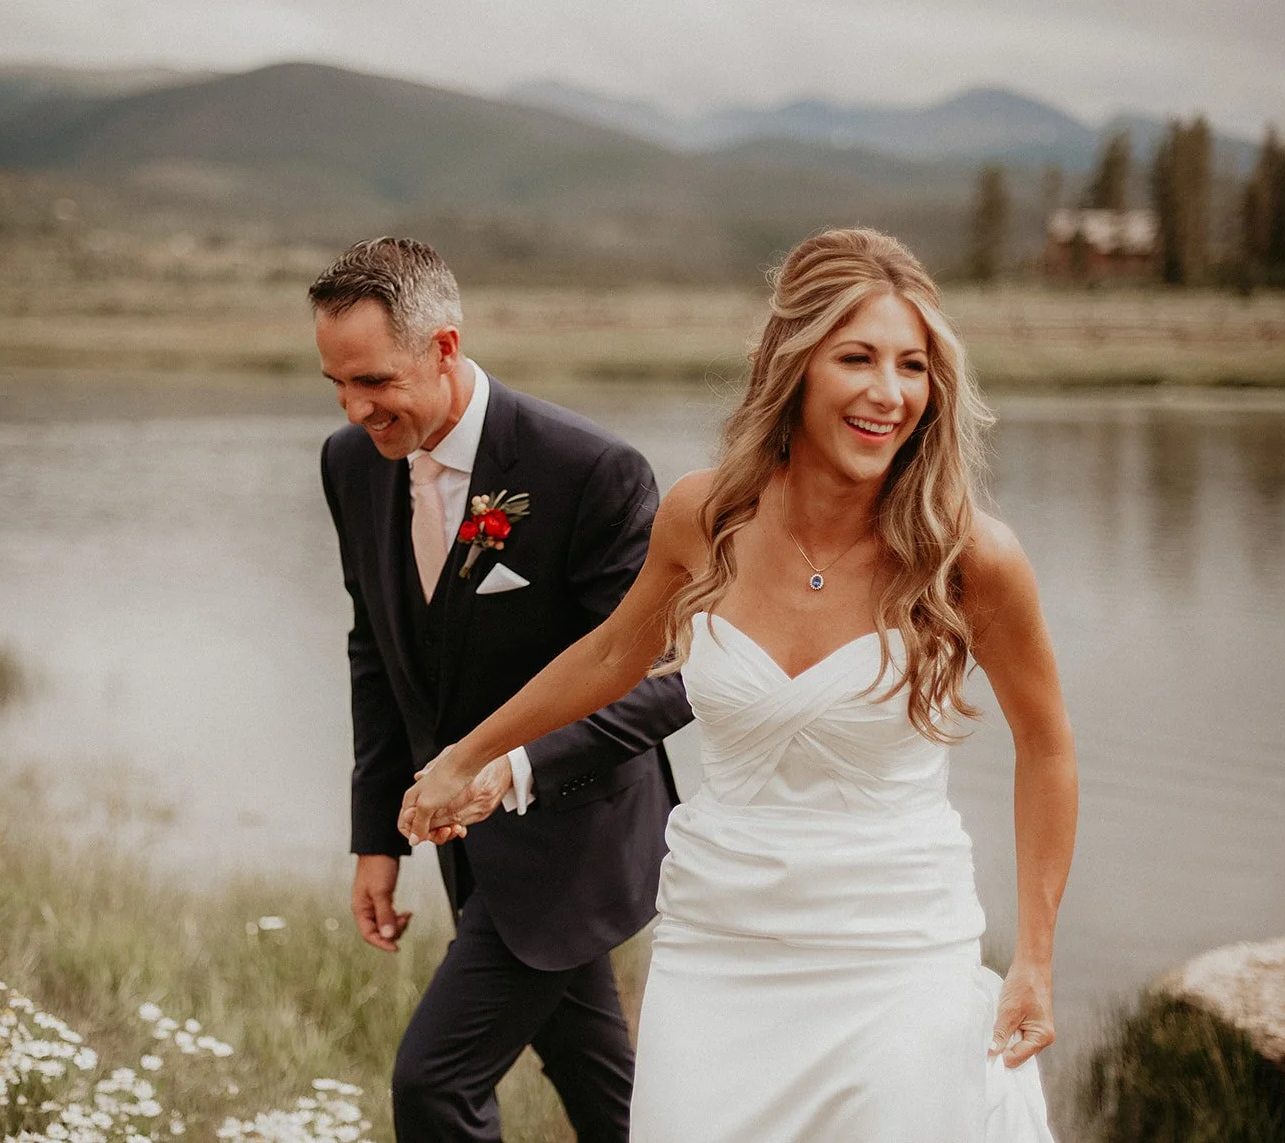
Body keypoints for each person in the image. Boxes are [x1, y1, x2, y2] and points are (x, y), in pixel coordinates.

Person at [402, 228, 1078, 1141]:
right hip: (718, 946)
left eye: (913, 365)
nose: (889, 392)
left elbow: (1046, 747)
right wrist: (471, 756)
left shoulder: (969, 557)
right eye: (858, 357)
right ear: (792, 366)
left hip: (895, 954)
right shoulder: (704, 515)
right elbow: (610, 657)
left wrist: (1034, 953)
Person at [312, 236, 694, 1143]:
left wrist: (510, 768)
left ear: (443, 347)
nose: (354, 407)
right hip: (471, 855)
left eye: (374, 381)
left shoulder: (589, 471)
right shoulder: (350, 464)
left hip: (580, 840)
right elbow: (377, 654)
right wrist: (376, 839)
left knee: (434, 1084)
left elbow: (669, 681)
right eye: (336, 382)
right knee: (604, 1086)